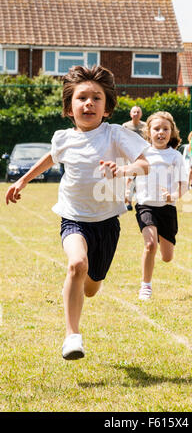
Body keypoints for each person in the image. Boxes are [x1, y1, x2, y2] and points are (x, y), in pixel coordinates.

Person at [5, 65, 149, 361]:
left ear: (107, 107)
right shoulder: (63, 138)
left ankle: (83, 284)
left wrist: (123, 169)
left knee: (92, 287)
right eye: (82, 97)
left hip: (107, 223)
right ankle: (72, 336)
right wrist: (23, 180)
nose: (89, 103)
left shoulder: (116, 135)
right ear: (70, 108)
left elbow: (144, 164)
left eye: (97, 98)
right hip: (73, 219)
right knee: (76, 264)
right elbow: (50, 158)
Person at [134, 111, 188, 300]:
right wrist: (125, 191)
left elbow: (184, 185)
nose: (161, 132)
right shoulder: (142, 154)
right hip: (145, 205)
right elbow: (131, 173)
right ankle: (145, 286)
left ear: (171, 132)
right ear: (149, 131)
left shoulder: (175, 156)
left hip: (167, 209)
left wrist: (173, 195)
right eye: (157, 129)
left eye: (165, 129)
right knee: (150, 245)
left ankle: (163, 239)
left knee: (167, 257)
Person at [122, 106, 146, 210]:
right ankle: (128, 202)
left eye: (138, 112)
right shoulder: (125, 126)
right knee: (129, 179)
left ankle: (141, 201)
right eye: (134, 112)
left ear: (141, 114)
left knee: (142, 179)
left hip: (142, 157)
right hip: (130, 157)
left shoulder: (145, 126)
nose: (136, 113)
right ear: (130, 114)